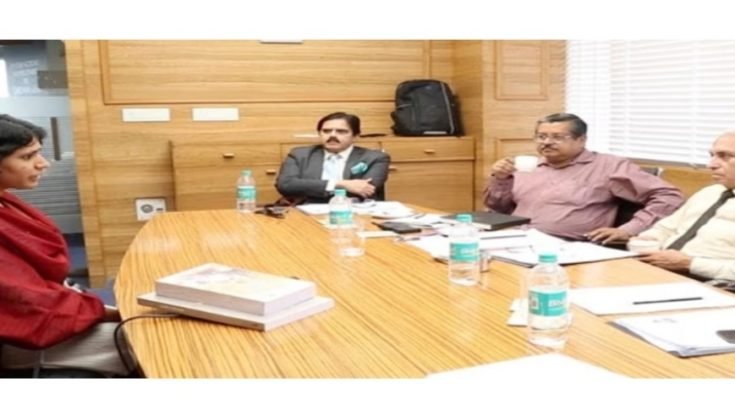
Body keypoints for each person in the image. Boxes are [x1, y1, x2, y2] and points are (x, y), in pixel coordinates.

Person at [0, 114, 130, 377]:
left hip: (53, 306)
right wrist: (108, 312)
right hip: (23, 339)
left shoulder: (6, 201)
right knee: (144, 342)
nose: (43, 163)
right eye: (27, 156)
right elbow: (26, 303)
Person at [483, 113, 684, 242]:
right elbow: (499, 209)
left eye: (558, 137)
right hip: (513, 239)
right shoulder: (528, 166)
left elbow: (669, 196)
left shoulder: (608, 166)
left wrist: (629, 229)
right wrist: (501, 179)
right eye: (541, 136)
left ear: (582, 140)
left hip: (568, 246)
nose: (547, 142)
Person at [633, 131, 735, 281]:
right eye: (712, 155)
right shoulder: (710, 192)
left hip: (710, 282)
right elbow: (662, 230)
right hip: (657, 270)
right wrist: (650, 251)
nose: (711, 165)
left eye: (725, 156)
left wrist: (690, 264)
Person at [276, 112, 390, 203]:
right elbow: (286, 185)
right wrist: (340, 184)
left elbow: (366, 189)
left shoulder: (375, 158)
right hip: (306, 210)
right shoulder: (300, 154)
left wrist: (309, 187)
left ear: (355, 136)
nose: (332, 135)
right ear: (320, 134)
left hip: (355, 210)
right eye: (326, 131)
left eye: (341, 131)